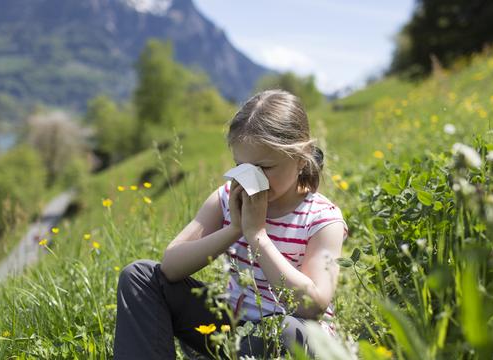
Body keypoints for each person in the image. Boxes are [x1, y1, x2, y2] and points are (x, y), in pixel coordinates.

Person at [113, 89, 348, 359]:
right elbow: (170, 267)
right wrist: (234, 229)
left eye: (264, 168)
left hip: (292, 337)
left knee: (283, 329)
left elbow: (312, 306)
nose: (250, 179)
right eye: (241, 166)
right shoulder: (228, 197)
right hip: (234, 327)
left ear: (301, 155)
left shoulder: (321, 219)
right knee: (139, 276)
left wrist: (257, 235)